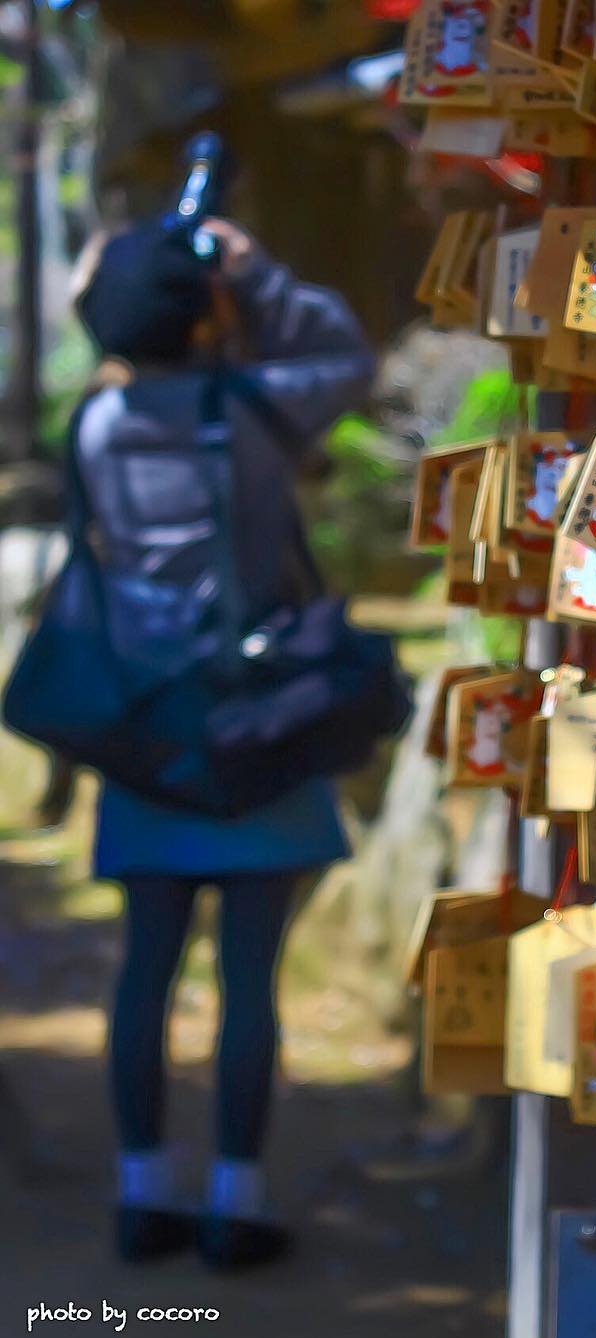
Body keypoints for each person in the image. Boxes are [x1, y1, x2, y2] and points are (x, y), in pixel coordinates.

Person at [71, 217, 373, 1270]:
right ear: (202, 310)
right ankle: (236, 1202)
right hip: (261, 726)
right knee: (250, 981)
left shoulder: (98, 426)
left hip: (150, 731)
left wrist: (127, 285)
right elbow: (344, 357)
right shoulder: (251, 411)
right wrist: (256, 272)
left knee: (143, 970)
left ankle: (141, 1193)